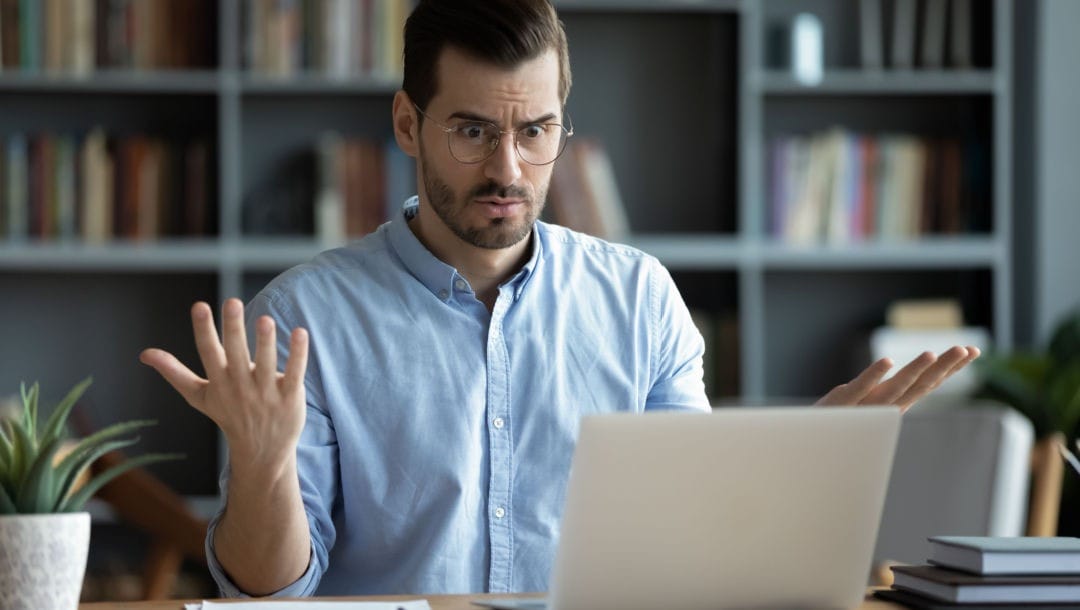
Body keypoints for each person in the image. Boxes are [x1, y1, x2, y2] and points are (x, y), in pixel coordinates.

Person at [139, 0, 979, 598]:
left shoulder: (640, 299)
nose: (508, 169)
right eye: (473, 131)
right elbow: (268, 594)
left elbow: (690, 554)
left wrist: (798, 471)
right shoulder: (303, 320)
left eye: (536, 131)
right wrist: (263, 465)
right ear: (407, 124)